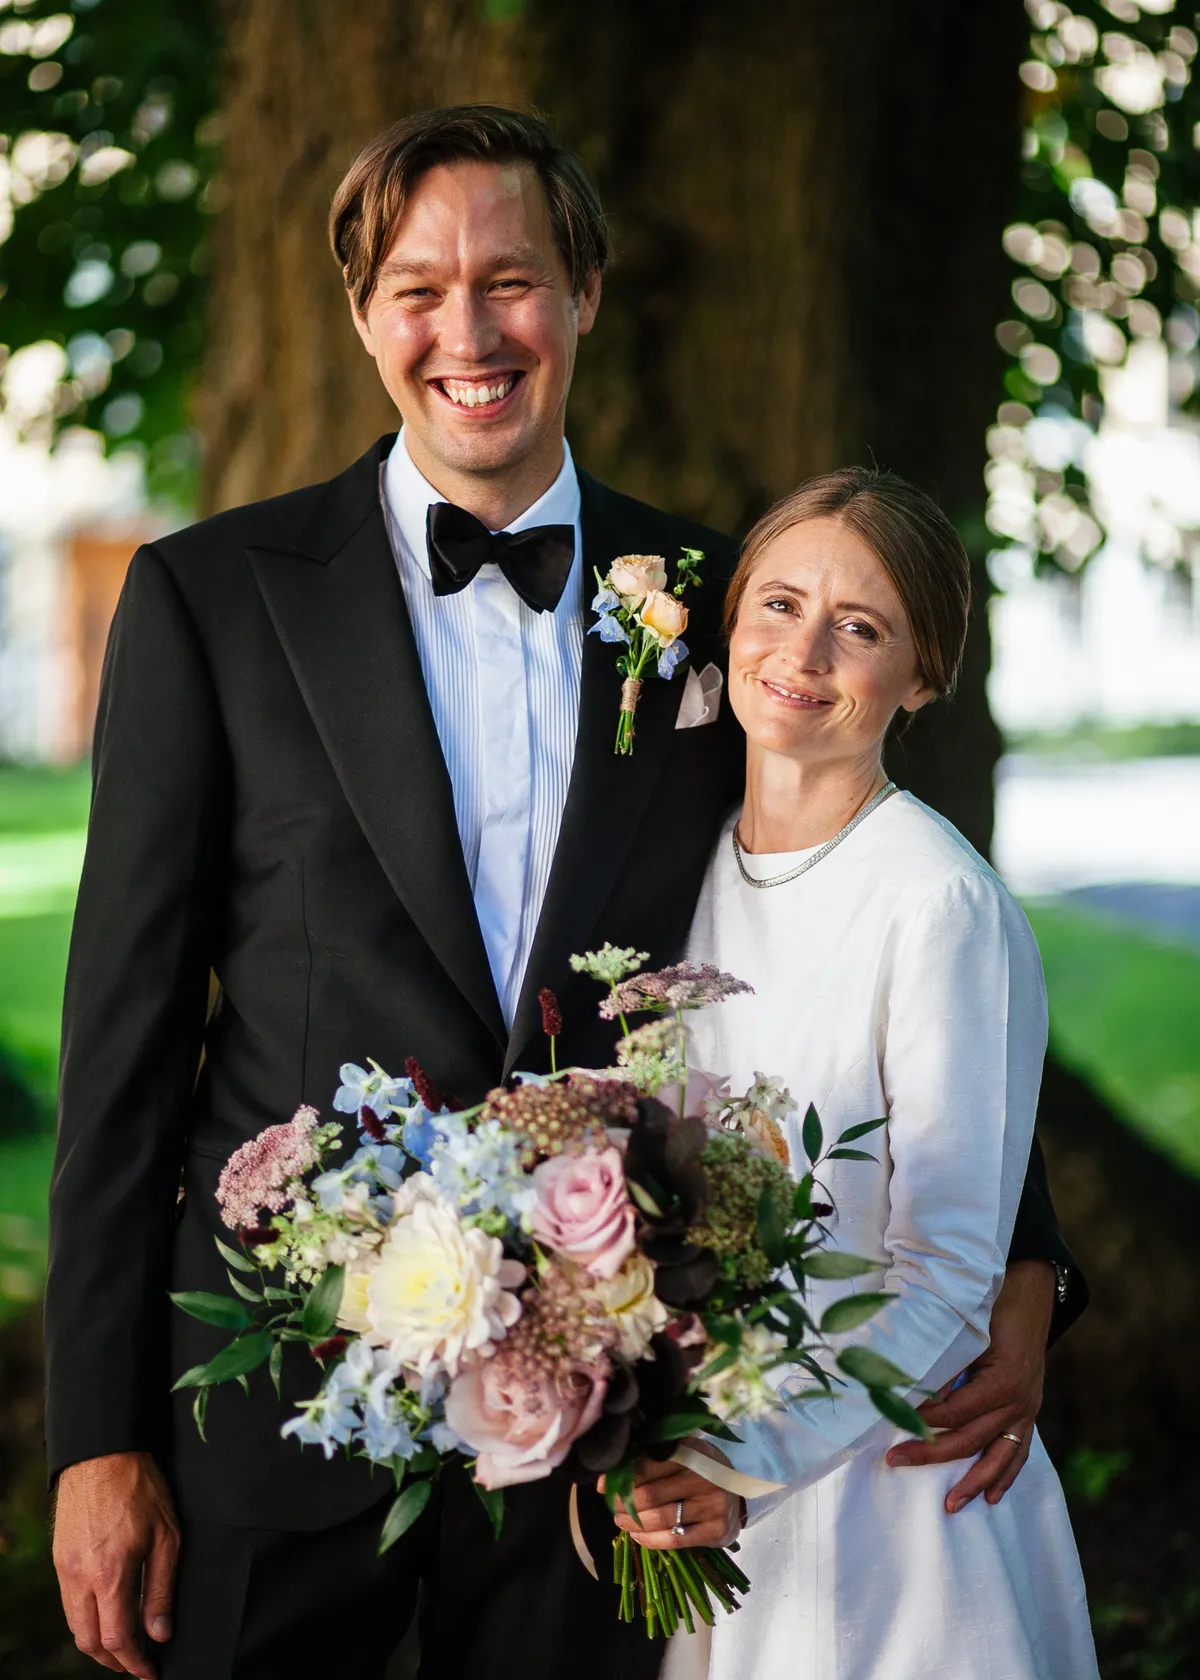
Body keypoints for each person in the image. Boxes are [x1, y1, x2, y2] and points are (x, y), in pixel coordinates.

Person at [44, 108, 1081, 1680]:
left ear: (585, 291)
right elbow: (119, 1055)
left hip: (608, 1444)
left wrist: (1028, 1262)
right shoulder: (210, 601)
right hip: (285, 1430)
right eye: (419, 287)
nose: (470, 331)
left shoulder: (722, 605)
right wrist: (93, 1436)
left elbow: (852, 899)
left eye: (513, 278)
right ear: (362, 313)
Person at [620, 469, 1099, 1679]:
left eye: (862, 627)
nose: (804, 651)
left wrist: (738, 1457)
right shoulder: (676, 873)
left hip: (891, 1514)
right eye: (779, 604)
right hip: (704, 1506)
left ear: (923, 677)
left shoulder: (939, 905)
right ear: (729, 620)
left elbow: (946, 1274)